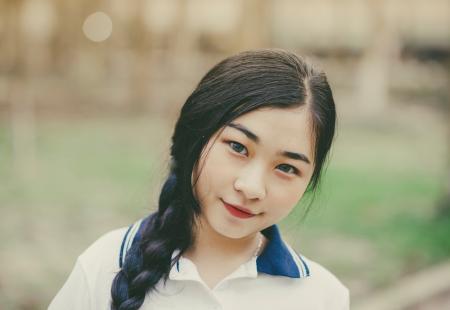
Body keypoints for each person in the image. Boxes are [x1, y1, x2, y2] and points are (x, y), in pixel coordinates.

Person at [49, 48, 349, 310]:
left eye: (286, 168)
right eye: (238, 147)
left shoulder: (322, 298)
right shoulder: (106, 264)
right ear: (195, 137)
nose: (252, 187)